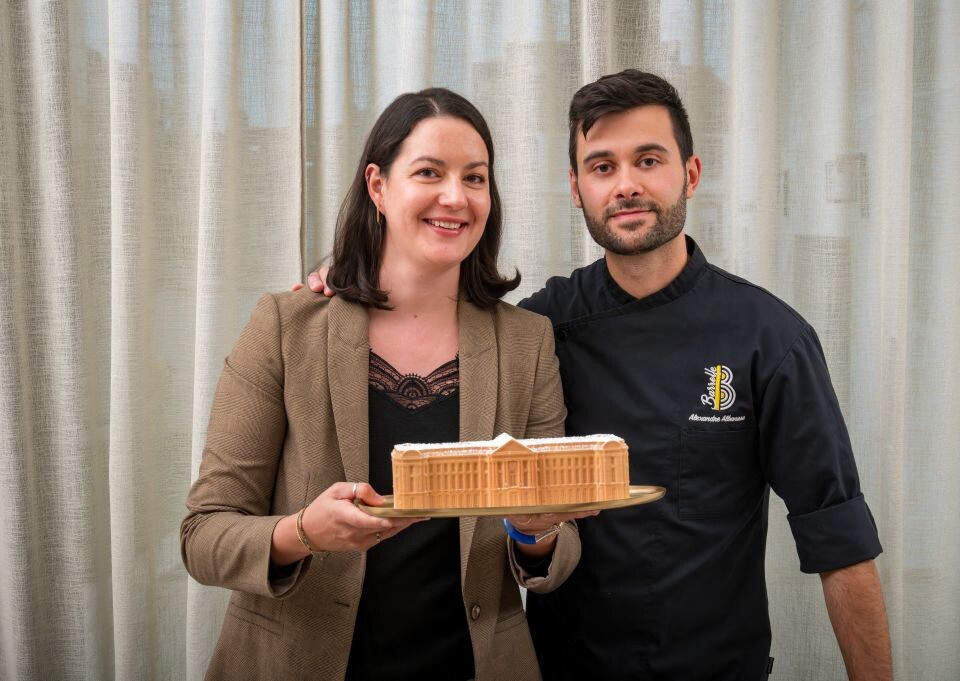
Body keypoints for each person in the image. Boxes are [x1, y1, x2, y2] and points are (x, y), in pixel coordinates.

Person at [302, 70, 892, 680]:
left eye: (648, 160)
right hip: (562, 668)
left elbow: (838, 539)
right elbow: (429, 318)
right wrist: (341, 289)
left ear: (690, 173)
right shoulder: (537, 331)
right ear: (576, 188)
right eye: (602, 166)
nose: (627, 185)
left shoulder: (769, 338)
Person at [181, 87, 592, 681]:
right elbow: (203, 536)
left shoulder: (527, 342)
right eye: (430, 172)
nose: (456, 197)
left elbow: (560, 547)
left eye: (475, 178)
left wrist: (537, 532)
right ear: (378, 185)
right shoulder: (286, 327)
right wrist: (304, 532)